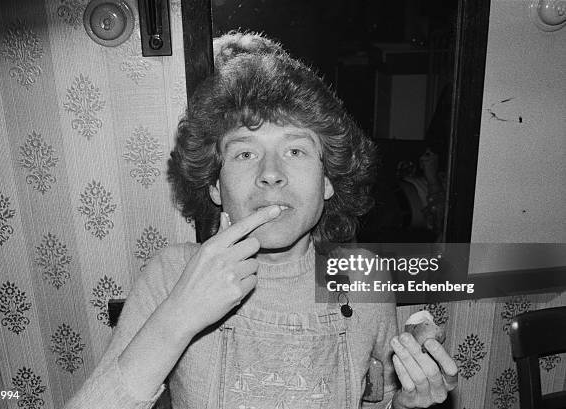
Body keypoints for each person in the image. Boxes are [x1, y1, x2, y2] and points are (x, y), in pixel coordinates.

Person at [65, 31, 458, 409]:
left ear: (327, 180)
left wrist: (408, 404)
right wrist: (180, 314)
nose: (271, 173)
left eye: (296, 151)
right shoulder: (171, 275)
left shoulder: (364, 277)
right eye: (245, 154)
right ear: (215, 186)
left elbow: (377, 400)